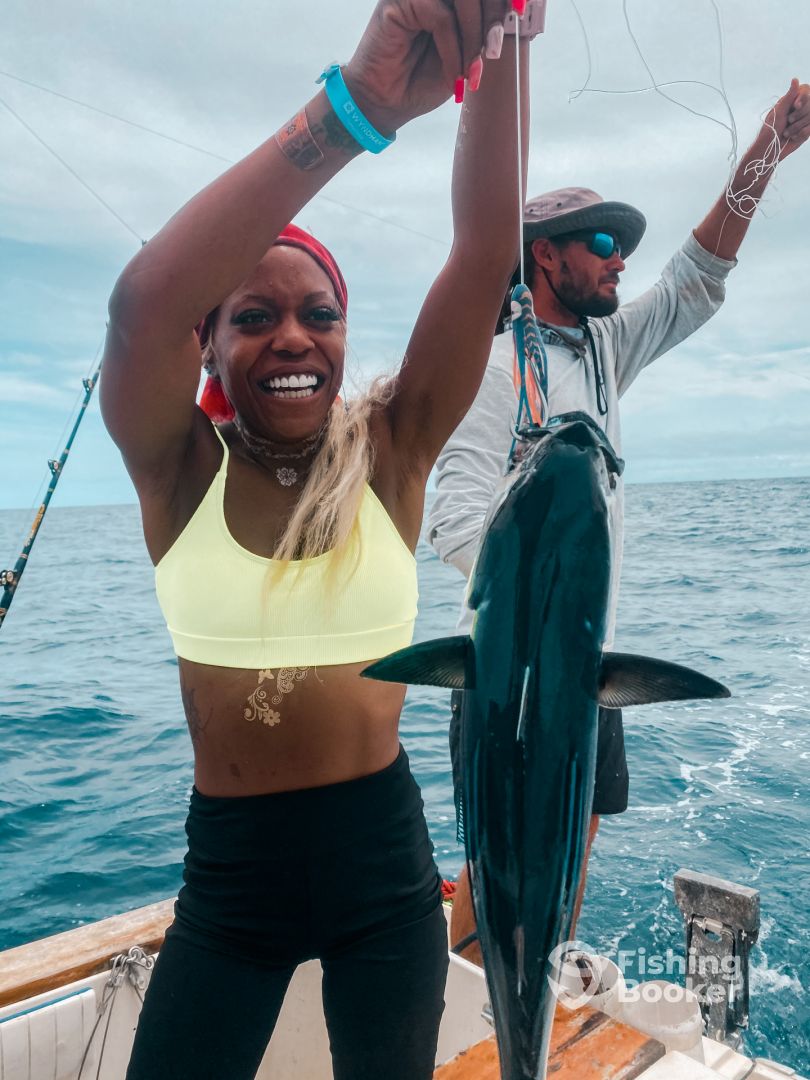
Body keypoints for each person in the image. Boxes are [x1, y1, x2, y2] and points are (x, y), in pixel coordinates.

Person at [99, 3, 532, 1078]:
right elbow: (143, 307)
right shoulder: (177, 470)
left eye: (319, 315)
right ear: (209, 345)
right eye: (253, 317)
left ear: (344, 336)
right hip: (229, 889)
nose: (292, 337)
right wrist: (357, 110)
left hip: (384, 878)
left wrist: (506, 35)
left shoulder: (393, 450)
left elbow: (487, 255)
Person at [428, 78, 810, 966]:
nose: (619, 262)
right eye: (601, 244)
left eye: (622, 248)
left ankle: (538, 1001)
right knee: (497, 859)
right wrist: (539, 591)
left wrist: (768, 152)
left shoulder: (602, 349)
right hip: (507, 674)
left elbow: (694, 280)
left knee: (575, 838)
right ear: (543, 256)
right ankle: (472, 1012)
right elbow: (449, 517)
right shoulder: (490, 369)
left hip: (585, 663)